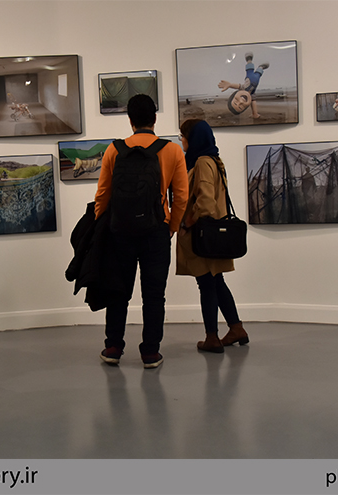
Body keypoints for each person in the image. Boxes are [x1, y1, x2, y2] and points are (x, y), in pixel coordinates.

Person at [94, 94, 188, 369]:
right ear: (154, 118)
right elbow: (180, 196)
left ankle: (113, 347)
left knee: (118, 291)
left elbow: (102, 194)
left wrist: (103, 225)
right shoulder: (171, 151)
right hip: (156, 231)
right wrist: (170, 226)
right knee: (154, 294)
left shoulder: (115, 150)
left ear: (130, 120)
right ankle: (150, 352)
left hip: (120, 231)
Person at [175, 119, 249, 353]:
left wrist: (188, 222)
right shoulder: (213, 160)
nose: (181, 140)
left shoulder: (203, 162)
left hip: (203, 235)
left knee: (206, 283)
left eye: (183, 135)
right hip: (213, 233)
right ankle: (236, 328)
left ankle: (212, 337)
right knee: (216, 281)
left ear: (193, 138)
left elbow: (205, 202)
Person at [218, 52, 269, 119]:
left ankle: (249, 60)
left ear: (235, 94)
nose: (241, 101)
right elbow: (253, 104)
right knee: (258, 74)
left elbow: (238, 86)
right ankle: (261, 67)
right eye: (241, 106)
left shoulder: (244, 88)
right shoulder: (252, 95)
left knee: (250, 70)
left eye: (236, 101)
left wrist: (229, 85)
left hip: (249, 76)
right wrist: (255, 113)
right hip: (257, 79)